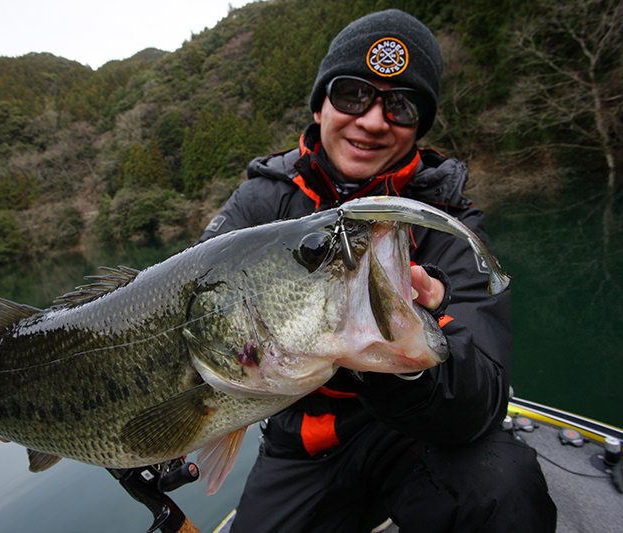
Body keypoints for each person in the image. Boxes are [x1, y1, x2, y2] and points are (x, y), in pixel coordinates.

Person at [197, 9, 557, 532]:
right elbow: (188, 318)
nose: (371, 120)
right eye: (351, 95)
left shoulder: (448, 219)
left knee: (503, 489)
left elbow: (481, 399)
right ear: (319, 107)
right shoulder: (259, 203)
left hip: (408, 436)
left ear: (418, 129)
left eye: (401, 105)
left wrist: (417, 352)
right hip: (298, 445)